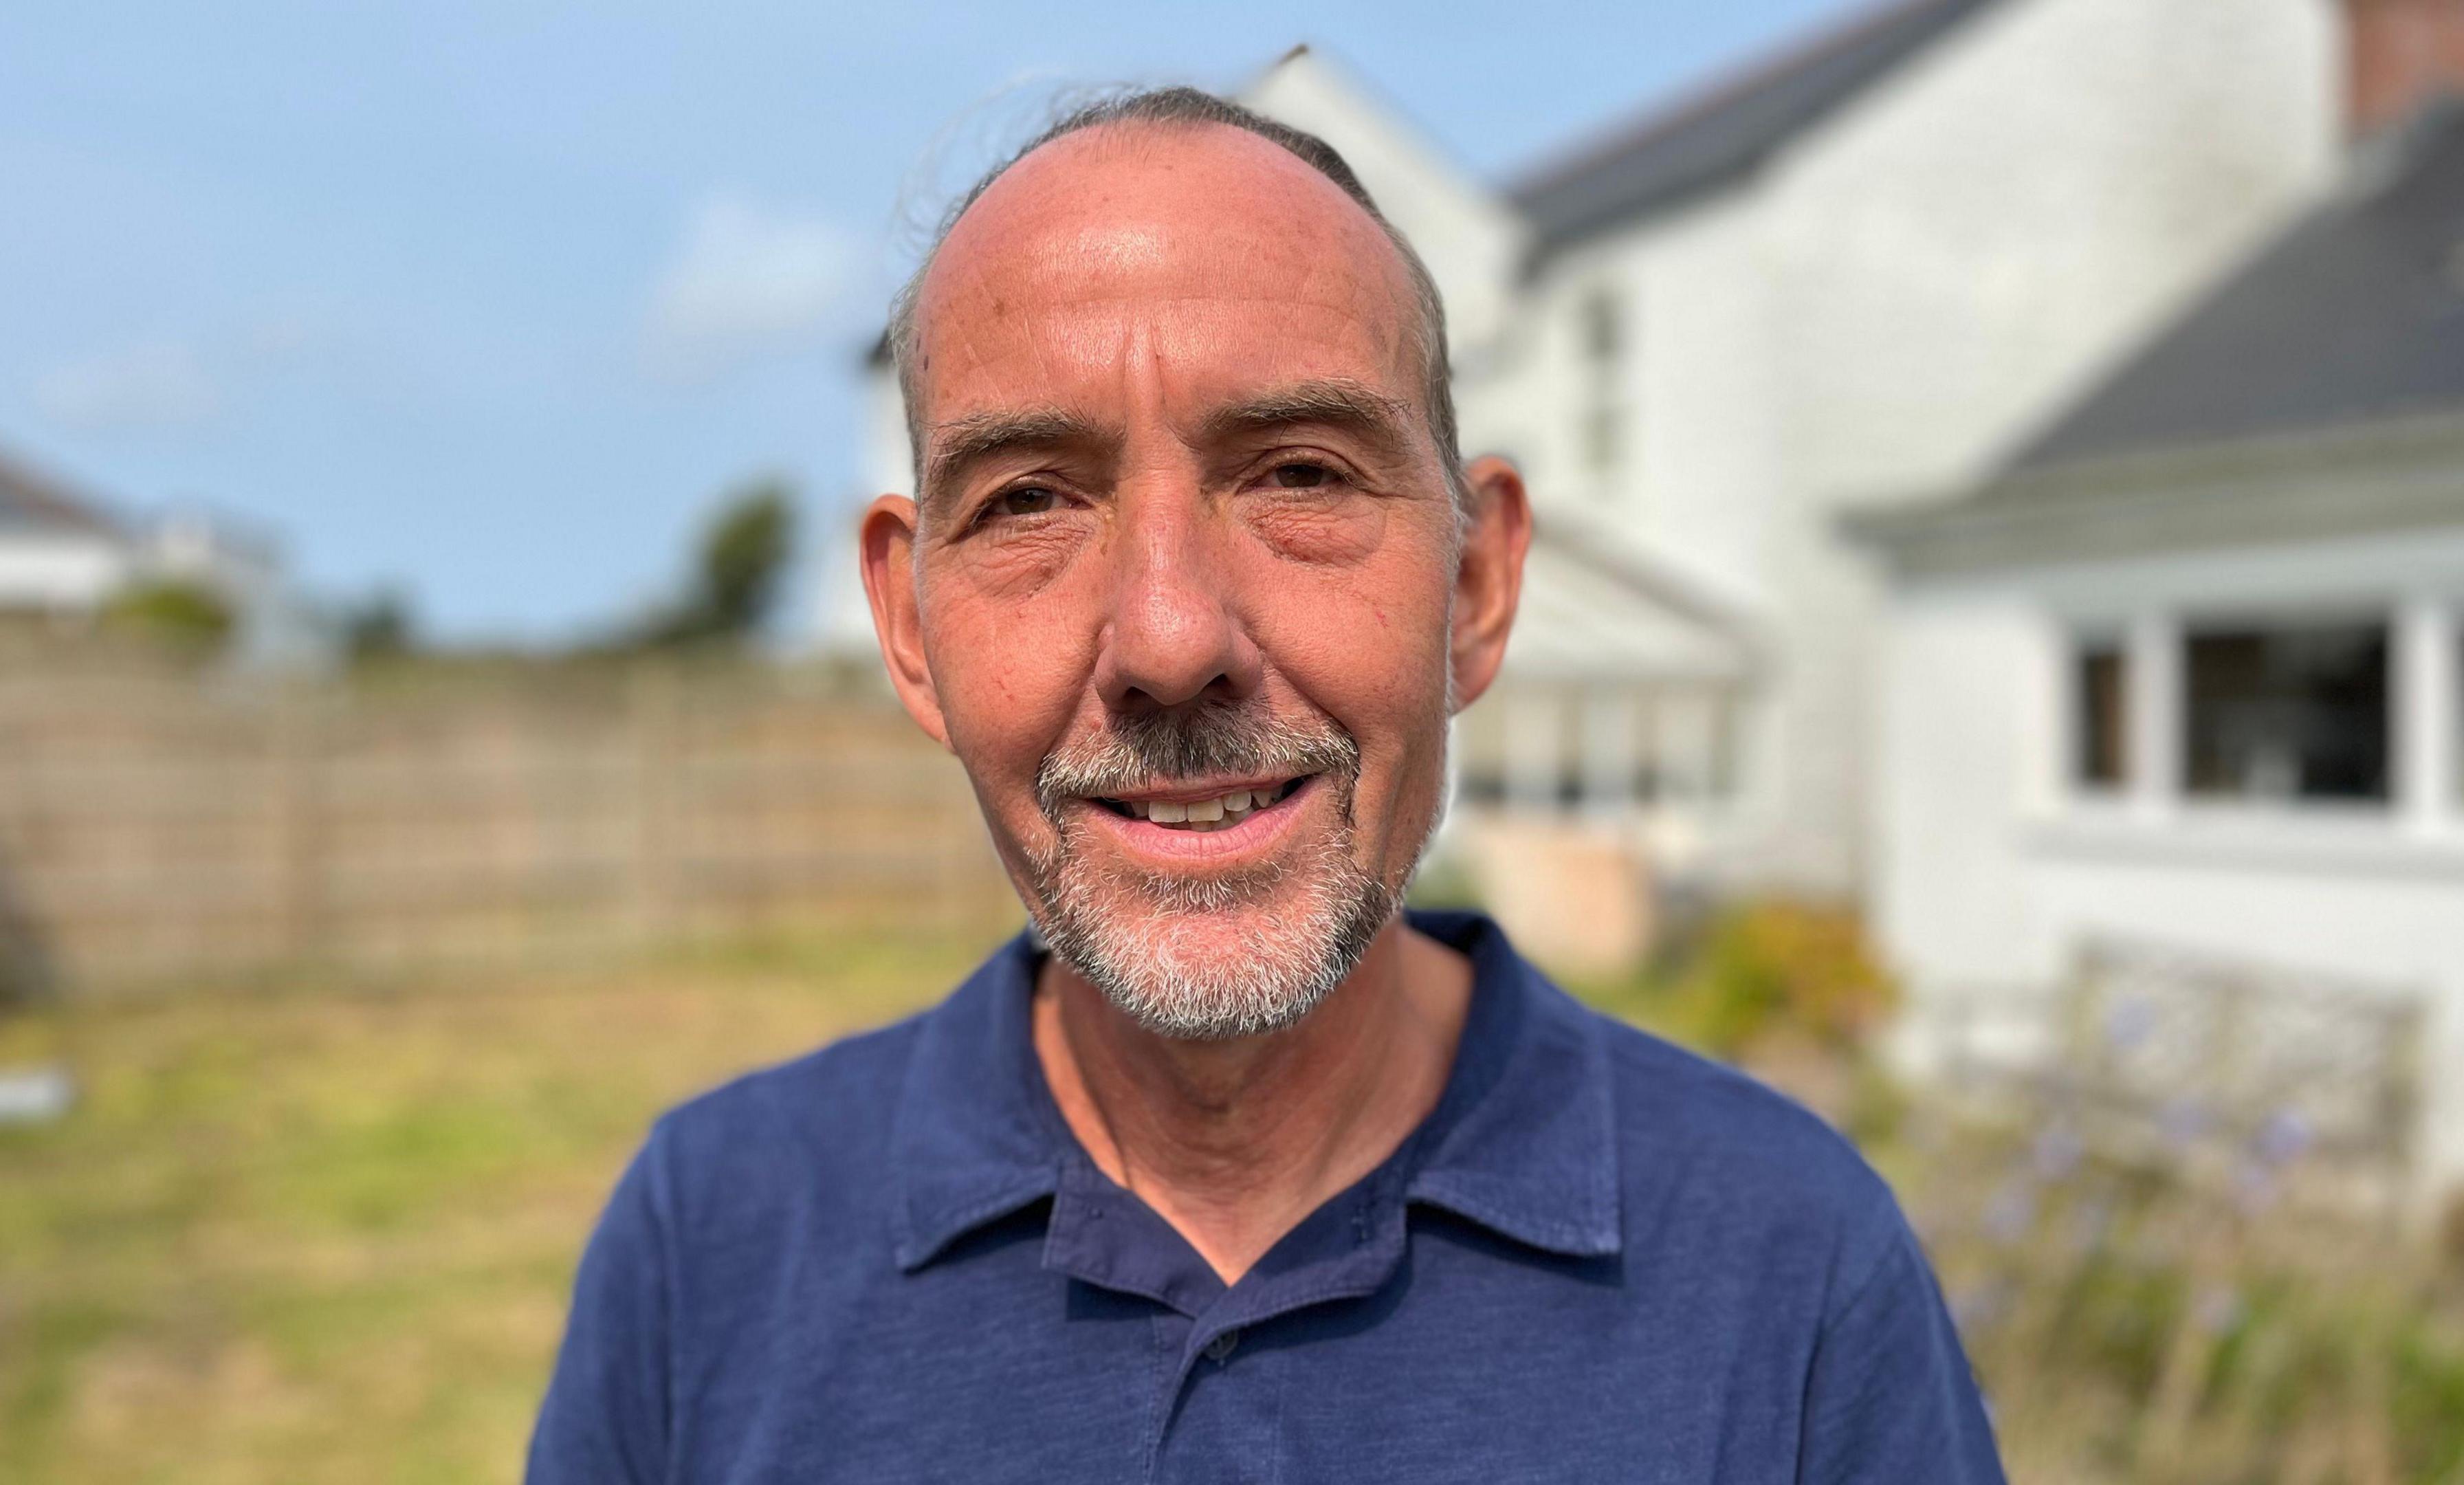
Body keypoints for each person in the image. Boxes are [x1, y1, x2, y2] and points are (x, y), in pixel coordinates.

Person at [528, 86, 2004, 1484]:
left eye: (1299, 474)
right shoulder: (709, 1243)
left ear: (1478, 586)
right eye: (1032, 500)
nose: (1171, 639)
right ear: (912, 629)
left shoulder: (1792, 1267)